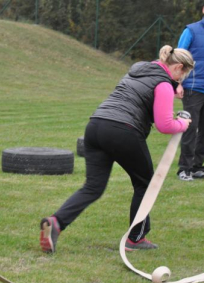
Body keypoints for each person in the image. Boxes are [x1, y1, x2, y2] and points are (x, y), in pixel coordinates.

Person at [40, 45, 194, 254]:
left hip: (95, 127)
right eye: (183, 75)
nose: (181, 81)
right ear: (178, 67)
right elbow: (165, 125)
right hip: (123, 131)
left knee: (93, 187)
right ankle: (135, 239)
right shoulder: (163, 84)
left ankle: (56, 222)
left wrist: (171, 89)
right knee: (146, 184)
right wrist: (183, 124)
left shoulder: (137, 71)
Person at [176, 5, 204, 181]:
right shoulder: (191, 30)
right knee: (190, 128)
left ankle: (196, 167)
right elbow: (178, 57)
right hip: (193, 87)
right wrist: (177, 83)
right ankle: (184, 169)